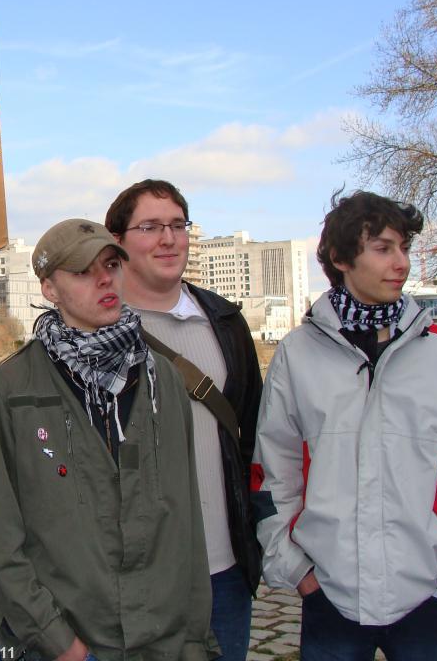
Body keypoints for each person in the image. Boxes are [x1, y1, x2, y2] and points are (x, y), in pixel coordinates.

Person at [251, 191, 437, 660]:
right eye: (384, 248)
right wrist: (295, 568)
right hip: (330, 596)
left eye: (405, 248)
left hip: (427, 594)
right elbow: (273, 472)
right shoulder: (297, 355)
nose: (402, 263)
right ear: (340, 258)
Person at [0, 219, 216, 660]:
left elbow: (186, 521)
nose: (104, 279)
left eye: (110, 264)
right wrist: (57, 641)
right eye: (83, 272)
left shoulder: (163, 377)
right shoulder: (12, 388)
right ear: (50, 289)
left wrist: (195, 637)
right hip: (68, 644)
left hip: (164, 641)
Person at [106, 180, 262, 661]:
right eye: (150, 227)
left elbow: (254, 433)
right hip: (132, 574)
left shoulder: (225, 322)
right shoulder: (92, 330)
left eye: (178, 225)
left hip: (223, 567)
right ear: (118, 242)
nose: (168, 239)